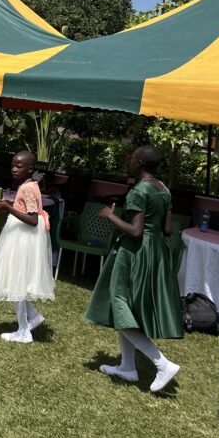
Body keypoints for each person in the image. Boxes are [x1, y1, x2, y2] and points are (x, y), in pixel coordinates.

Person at [86, 145, 183, 393]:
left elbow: (136, 231)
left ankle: (162, 363)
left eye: (132, 158)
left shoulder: (138, 191)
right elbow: (168, 229)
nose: (128, 161)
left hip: (134, 253)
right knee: (128, 307)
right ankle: (127, 366)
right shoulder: (164, 190)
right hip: (156, 253)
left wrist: (110, 215)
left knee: (120, 304)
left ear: (139, 162)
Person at [0, 150, 55, 343]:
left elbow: (33, 219)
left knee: (17, 281)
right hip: (23, 235)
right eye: (12, 165)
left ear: (30, 169)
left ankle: (23, 331)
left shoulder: (27, 187)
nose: (14, 169)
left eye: (19, 166)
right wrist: (12, 203)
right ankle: (33, 316)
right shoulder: (29, 185)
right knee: (17, 279)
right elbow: (29, 208)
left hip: (23, 236)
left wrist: (8, 208)